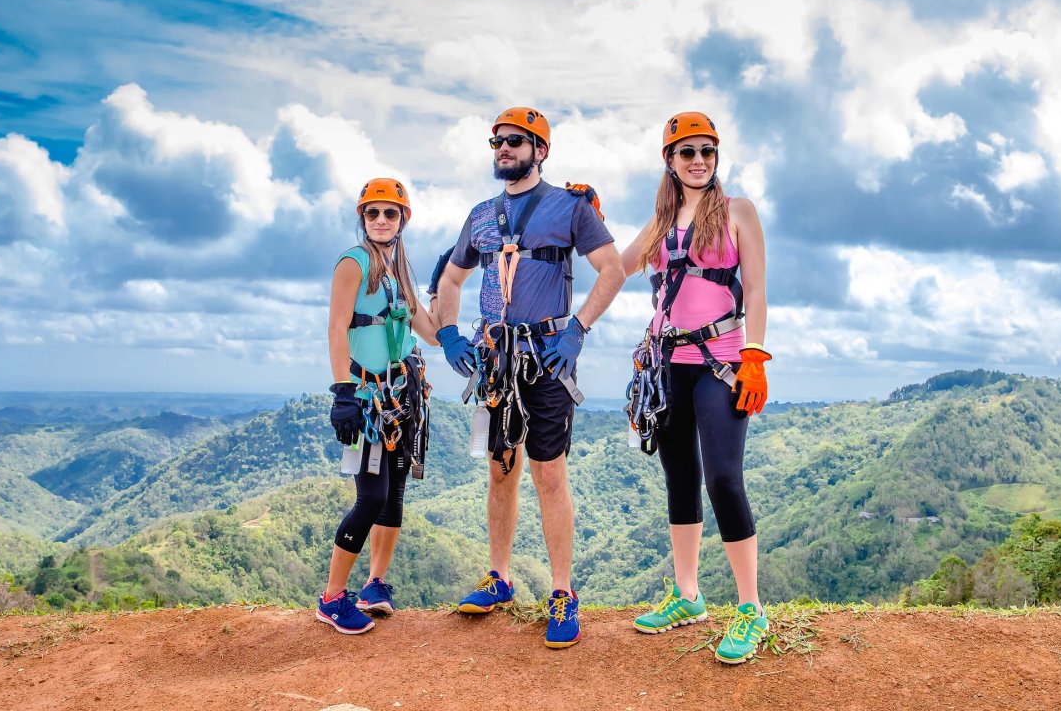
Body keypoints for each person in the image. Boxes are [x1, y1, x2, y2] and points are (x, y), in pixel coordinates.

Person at [434, 107, 624, 648]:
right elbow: (451, 277)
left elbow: (612, 268)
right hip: (496, 357)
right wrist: (449, 332)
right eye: (496, 141)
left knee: (549, 474)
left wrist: (578, 329)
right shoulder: (480, 217)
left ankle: (562, 592)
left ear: (540, 149)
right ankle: (500, 578)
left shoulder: (570, 207)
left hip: (546, 356)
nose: (502, 149)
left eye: (515, 141)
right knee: (501, 470)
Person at [619, 112, 772, 664]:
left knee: (724, 478)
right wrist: (585, 218)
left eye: (707, 150)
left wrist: (754, 355)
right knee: (679, 478)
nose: (699, 160)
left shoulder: (737, 213)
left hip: (721, 363)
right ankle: (688, 596)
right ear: (669, 160)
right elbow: (615, 268)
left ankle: (751, 608)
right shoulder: (659, 223)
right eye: (688, 152)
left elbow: (754, 288)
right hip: (665, 364)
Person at [317, 178, 440, 635]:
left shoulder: (398, 270)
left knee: (394, 492)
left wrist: (451, 329)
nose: (382, 220)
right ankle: (331, 598)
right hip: (367, 398)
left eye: (391, 213)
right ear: (362, 218)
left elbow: (426, 327)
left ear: (403, 219)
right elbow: (335, 328)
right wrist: (342, 392)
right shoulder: (353, 264)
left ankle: (375, 585)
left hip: (401, 394)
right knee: (371, 496)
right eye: (373, 213)